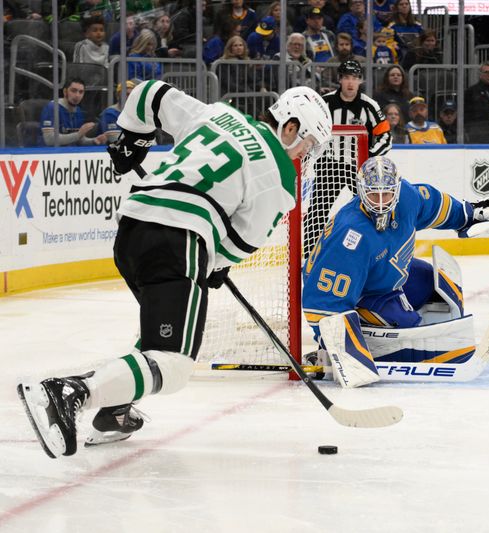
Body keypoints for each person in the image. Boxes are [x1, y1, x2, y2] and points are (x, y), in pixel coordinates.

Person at [18, 83, 333, 458]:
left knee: (164, 331)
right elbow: (241, 243)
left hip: (132, 229)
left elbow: (150, 94)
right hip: (177, 239)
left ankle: (114, 411)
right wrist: (214, 266)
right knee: (175, 363)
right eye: (308, 143)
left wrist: (133, 139)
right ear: (291, 127)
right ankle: (71, 392)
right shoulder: (280, 175)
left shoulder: (220, 114)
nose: (304, 153)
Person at [302, 155, 489, 387]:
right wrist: (339, 351)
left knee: (431, 281)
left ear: (397, 189)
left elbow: (436, 205)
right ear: (360, 191)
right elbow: (322, 302)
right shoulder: (351, 236)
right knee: (412, 331)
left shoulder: (407, 197)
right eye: (372, 194)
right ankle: (373, 332)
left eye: (386, 193)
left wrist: (474, 213)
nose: (379, 202)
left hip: (385, 272)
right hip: (363, 293)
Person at [303, 60, 391, 258]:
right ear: (340, 80)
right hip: (329, 166)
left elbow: (386, 137)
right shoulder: (323, 103)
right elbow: (308, 132)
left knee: (372, 209)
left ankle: (377, 253)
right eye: (346, 78)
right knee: (316, 213)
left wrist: (368, 158)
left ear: (360, 80)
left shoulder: (369, 105)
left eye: (355, 78)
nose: (350, 83)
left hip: (358, 167)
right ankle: (310, 256)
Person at [39, 78, 104, 146]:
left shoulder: (78, 111)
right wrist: (78, 134)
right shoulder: (52, 108)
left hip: (70, 154)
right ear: (65, 92)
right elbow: (49, 140)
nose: (77, 95)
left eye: (81, 92)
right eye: (73, 91)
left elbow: (79, 140)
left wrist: (94, 141)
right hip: (48, 154)